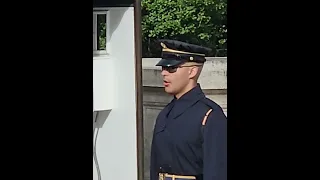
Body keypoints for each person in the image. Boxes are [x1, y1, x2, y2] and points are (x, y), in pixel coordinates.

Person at [150, 39, 227, 180]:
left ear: (192, 71)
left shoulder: (210, 116)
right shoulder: (165, 114)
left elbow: (217, 172)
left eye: (171, 68)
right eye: (163, 68)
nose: (164, 73)